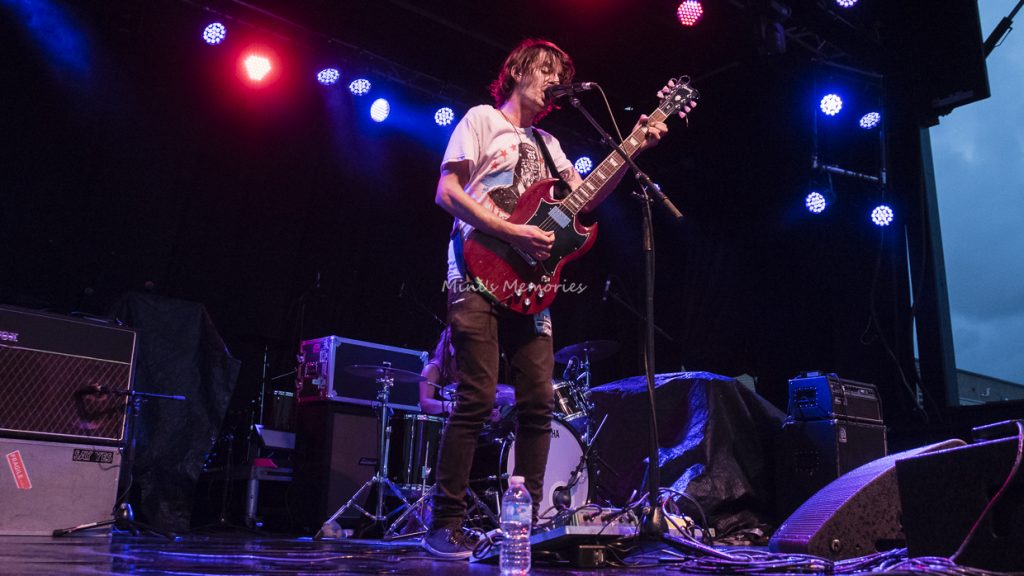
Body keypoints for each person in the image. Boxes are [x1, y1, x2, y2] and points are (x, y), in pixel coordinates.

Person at [423, 38, 687, 558]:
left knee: (538, 405)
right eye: (546, 70)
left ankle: (526, 524)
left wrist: (634, 145)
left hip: (532, 284)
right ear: (517, 71)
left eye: (561, 76)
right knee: (476, 396)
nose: (555, 81)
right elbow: (447, 192)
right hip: (475, 270)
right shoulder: (481, 120)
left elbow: (584, 200)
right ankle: (444, 522)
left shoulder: (550, 145)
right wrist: (513, 232)